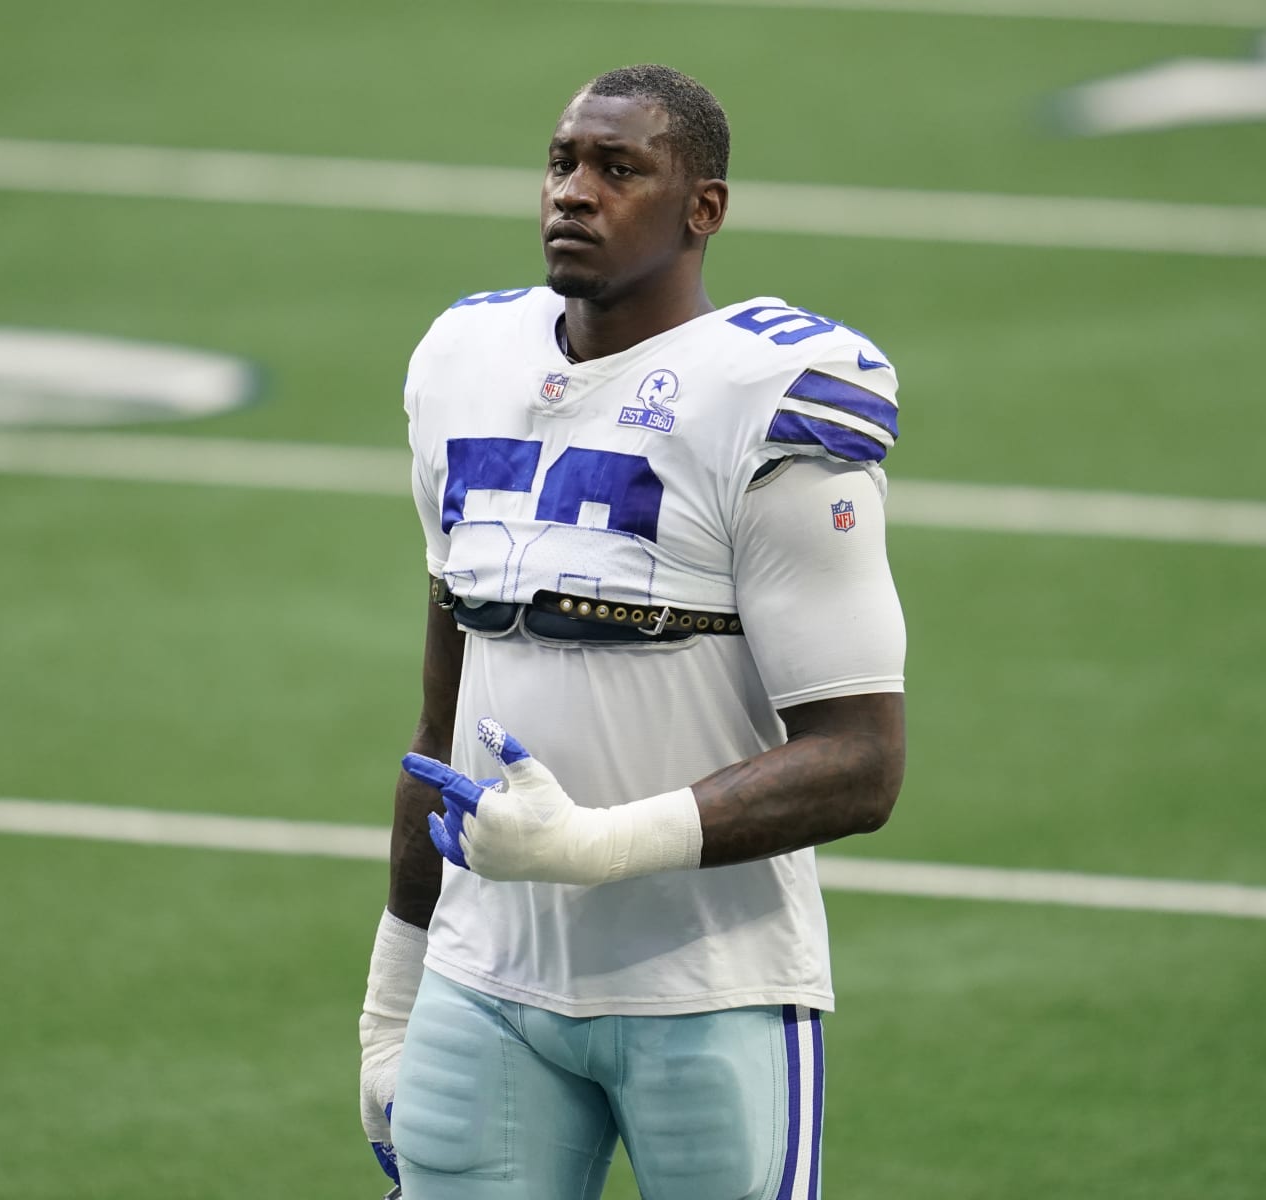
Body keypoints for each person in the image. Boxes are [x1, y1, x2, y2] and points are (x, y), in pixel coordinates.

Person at [359, 63, 907, 1200]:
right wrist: (395, 988)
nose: (575, 192)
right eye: (562, 163)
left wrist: (595, 847)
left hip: (707, 988)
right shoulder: (464, 362)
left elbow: (861, 764)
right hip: (485, 976)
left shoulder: (772, 393)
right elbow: (442, 715)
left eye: (619, 169)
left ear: (701, 208)